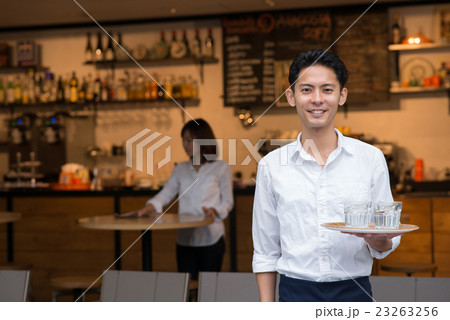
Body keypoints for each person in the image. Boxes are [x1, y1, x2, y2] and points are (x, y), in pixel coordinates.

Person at [252, 49, 402, 302]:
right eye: (307, 89)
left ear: (342, 95)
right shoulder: (271, 166)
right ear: (291, 96)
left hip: (355, 293)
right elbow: (265, 251)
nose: (317, 99)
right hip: (294, 294)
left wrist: (380, 242)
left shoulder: (371, 159)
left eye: (328, 90)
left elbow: (385, 241)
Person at [122, 118, 233, 280]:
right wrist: (146, 209)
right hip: (185, 240)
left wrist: (215, 210)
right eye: (184, 140)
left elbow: (228, 202)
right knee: (186, 290)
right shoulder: (180, 169)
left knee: (209, 292)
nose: (185, 145)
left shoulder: (221, 168)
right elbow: (165, 194)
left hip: (211, 239)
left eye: (189, 140)